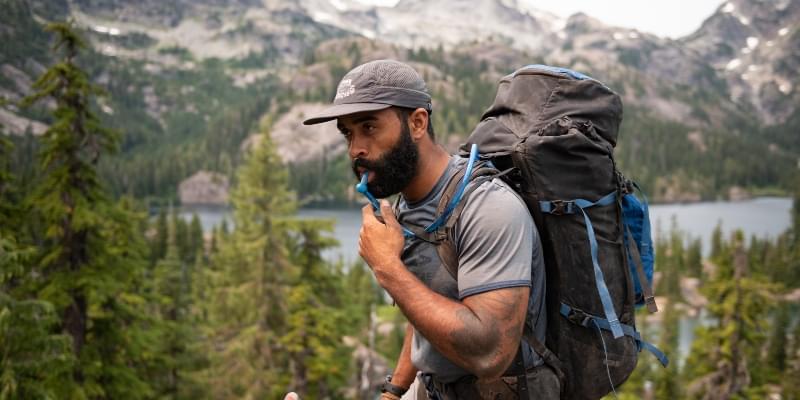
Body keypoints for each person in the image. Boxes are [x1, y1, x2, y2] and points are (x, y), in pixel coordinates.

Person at [299, 59, 557, 399]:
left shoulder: (488, 208)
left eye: (369, 127)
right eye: (348, 133)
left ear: (417, 123)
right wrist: (394, 391)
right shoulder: (408, 206)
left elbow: (490, 353)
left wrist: (387, 267)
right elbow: (426, 306)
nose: (355, 148)